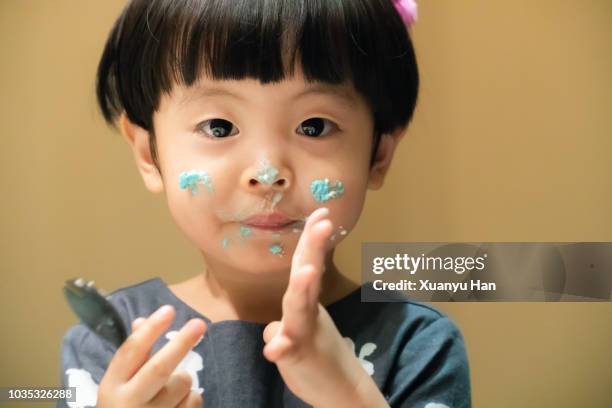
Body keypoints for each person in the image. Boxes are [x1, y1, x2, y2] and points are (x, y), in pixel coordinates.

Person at [58, 0, 471, 407]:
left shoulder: (417, 345)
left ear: (379, 154)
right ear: (149, 154)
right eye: (219, 127)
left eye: (314, 126)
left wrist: (349, 396)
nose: (268, 171)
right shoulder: (108, 348)